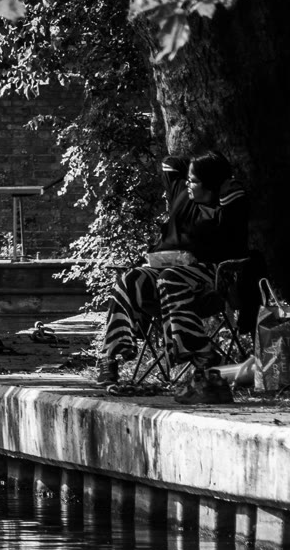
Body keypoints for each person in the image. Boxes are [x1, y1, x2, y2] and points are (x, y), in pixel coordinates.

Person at [96, 150, 249, 388]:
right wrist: (194, 166)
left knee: (170, 278)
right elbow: (170, 163)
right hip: (163, 271)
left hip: (208, 278)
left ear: (211, 185)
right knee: (130, 278)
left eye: (194, 181)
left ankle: (203, 355)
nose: (188, 184)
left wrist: (224, 186)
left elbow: (235, 210)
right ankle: (110, 356)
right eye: (188, 179)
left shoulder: (225, 209)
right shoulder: (182, 194)